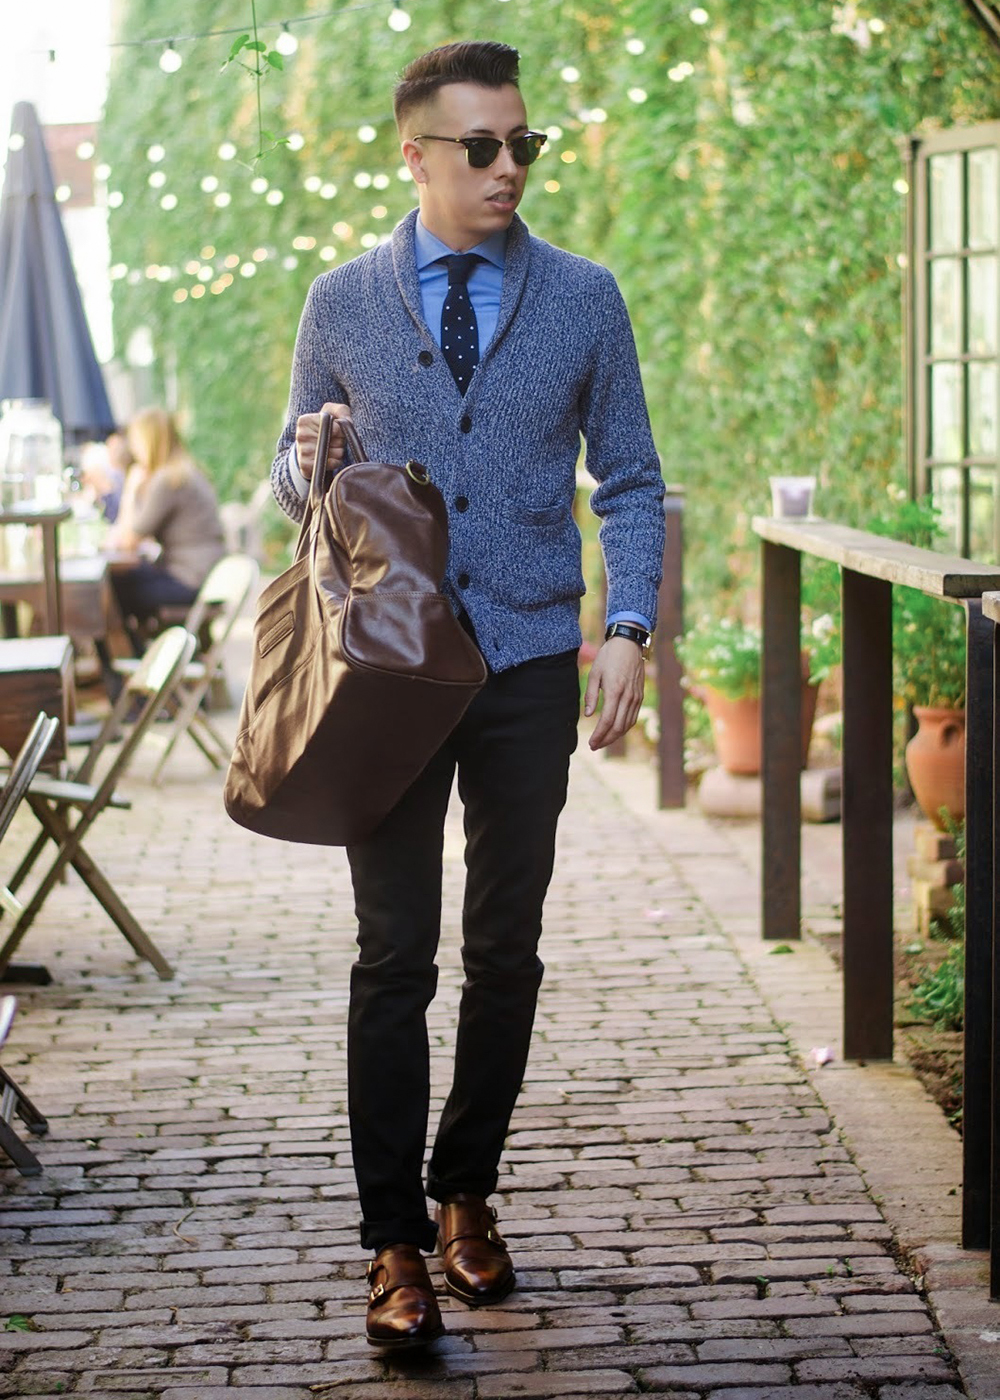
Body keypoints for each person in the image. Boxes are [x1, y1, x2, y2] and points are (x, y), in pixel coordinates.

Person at [270, 40, 665, 1350]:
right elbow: (295, 477)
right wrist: (304, 457)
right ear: (417, 154)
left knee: (505, 953)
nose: (509, 170)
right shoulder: (341, 301)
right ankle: (390, 1241)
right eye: (482, 148)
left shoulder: (586, 296)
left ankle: (464, 1194)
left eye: (524, 146)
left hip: (529, 667)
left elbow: (632, 479)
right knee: (394, 957)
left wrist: (627, 625)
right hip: (388, 671)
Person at [108, 407, 225, 649]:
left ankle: (139, 659)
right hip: (206, 576)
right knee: (126, 579)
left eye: (136, 441)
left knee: (113, 584)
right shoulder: (183, 471)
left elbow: (129, 539)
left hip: (191, 581)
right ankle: (152, 649)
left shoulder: (168, 480)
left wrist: (130, 489)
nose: (133, 449)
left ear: (148, 441)